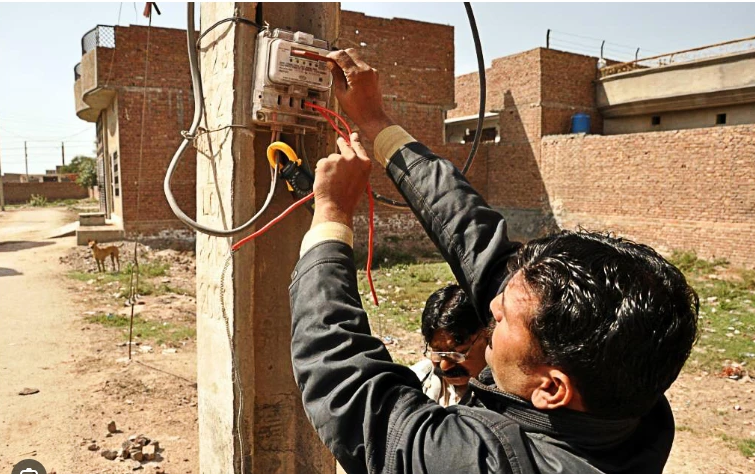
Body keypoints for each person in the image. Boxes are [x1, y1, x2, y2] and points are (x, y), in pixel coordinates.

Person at [289, 49, 699, 474]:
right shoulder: (626, 396)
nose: (491, 307)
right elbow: (475, 237)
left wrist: (332, 215)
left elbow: (350, 389)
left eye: (501, 322)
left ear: (552, 387)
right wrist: (376, 123)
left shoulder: (486, 464)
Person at [411, 284, 489, 407]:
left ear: (487, 336)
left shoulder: (508, 396)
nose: (444, 366)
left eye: (456, 354)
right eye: (437, 353)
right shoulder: (415, 382)